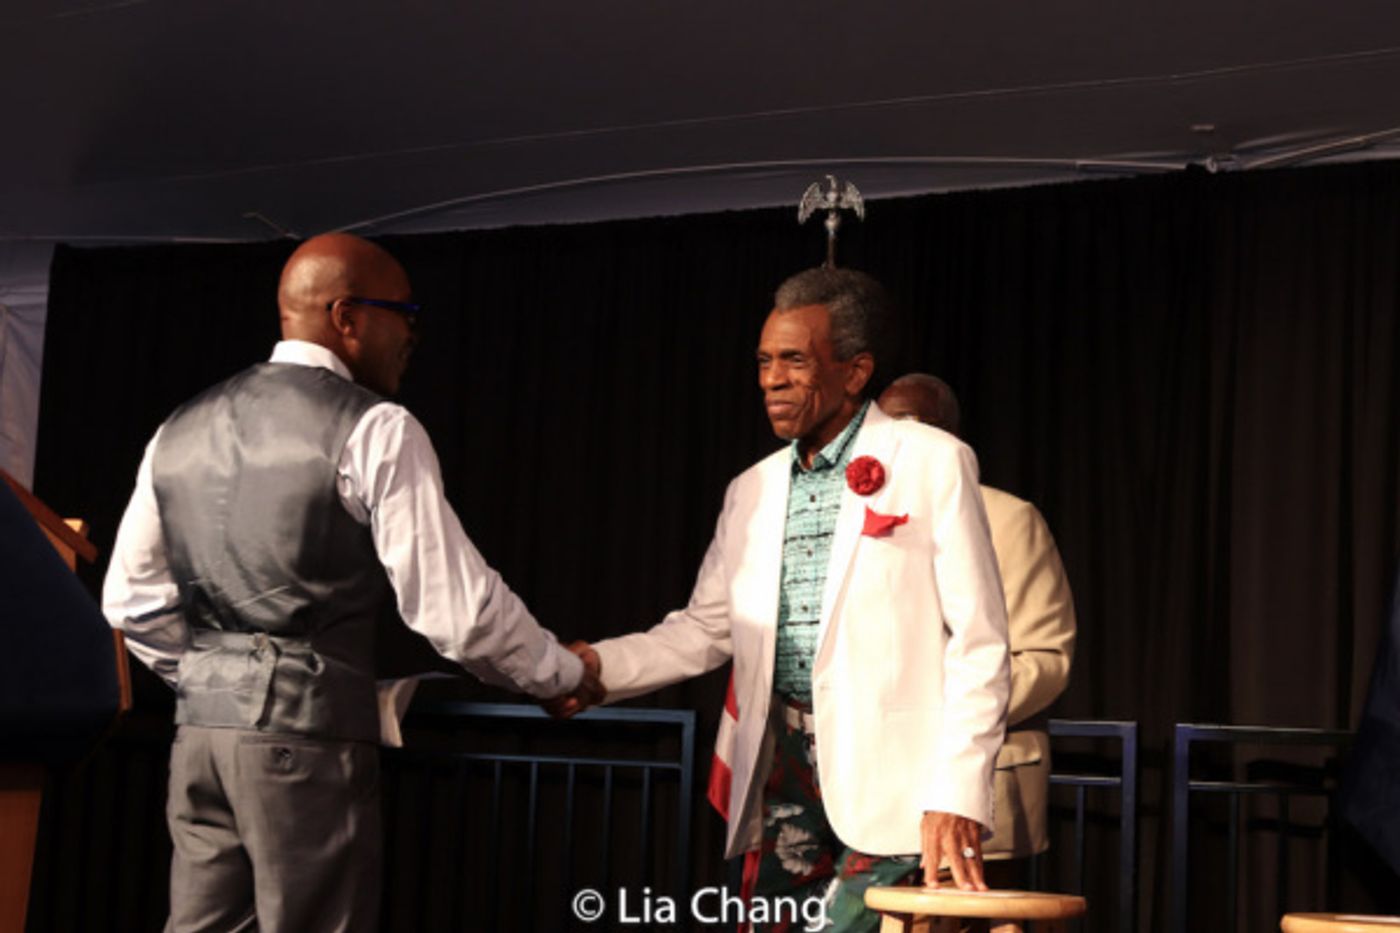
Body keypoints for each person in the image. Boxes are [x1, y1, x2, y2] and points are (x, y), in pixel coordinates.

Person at [103, 233, 601, 933]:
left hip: (200, 737)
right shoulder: (377, 427)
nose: (412, 336)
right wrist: (558, 671)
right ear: (347, 316)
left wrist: (216, 680)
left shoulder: (177, 427)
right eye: (406, 313)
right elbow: (457, 612)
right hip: (303, 740)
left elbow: (129, 600)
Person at [561, 268, 1010, 932]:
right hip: (783, 772)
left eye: (794, 360)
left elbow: (981, 642)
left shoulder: (932, 461)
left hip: (898, 787)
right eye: (765, 361)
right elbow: (704, 629)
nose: (771, 378)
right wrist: (597, 667)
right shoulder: (752, 488)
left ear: (855, 372)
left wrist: (959, 788)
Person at [878, 373, 1076, 886]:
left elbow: (1045, 659)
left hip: (977, 785)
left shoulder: (1009, 519)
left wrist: (941, 717)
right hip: (871, 788)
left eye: (910, 427)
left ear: (949, 440)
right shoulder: (860, 522)